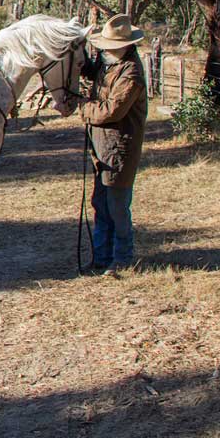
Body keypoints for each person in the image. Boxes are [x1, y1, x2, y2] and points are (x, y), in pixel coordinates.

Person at [79, 14, 148, 274]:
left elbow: (112, 111)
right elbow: (92, 71)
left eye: (108, 46)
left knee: (117, 207)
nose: (103, 50)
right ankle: (102, 257)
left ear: (124, 46)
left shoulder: (130, 73)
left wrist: (83, 108)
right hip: (102, 149)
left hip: (119, 149)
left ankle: (122, 259)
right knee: (101, 204)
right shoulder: (110, 63)